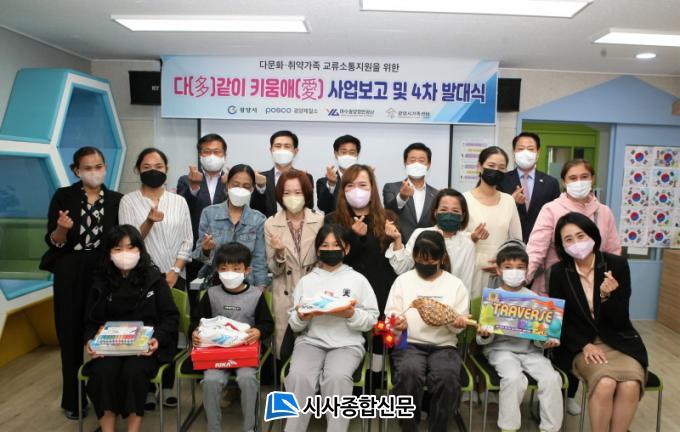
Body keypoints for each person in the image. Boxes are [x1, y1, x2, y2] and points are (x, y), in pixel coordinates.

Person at [42, 146, 123, 419]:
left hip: (105, 271)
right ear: (76, 170)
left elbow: (122, 238)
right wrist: (62, 229)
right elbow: (54, 241)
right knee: (70, 334)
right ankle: (73, 399)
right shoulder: (63, 196)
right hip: (70, 271)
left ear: (105, 167)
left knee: (107, 333)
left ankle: (110, 398)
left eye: (98, 166)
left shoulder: (116, 200)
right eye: (87, 168)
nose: (94, 172)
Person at [549, 212, 648, 432]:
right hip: (581, 344)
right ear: (562, 246)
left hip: (619, 341)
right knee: (605, 383)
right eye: (568, 239)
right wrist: (584, 344)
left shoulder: (617, 265)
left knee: (630, 385)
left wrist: (606, 297)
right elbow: (560, 320)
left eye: (580, 236)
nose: (576, 243)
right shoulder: (558, 272)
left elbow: (620, 318)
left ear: (592, 235)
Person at [284, 224, 379, 432]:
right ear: (317, 250)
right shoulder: (306, 281)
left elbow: (372, 318)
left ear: (347, 249)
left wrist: (351, 314)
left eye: (336, 245)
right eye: (324, 245)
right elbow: (294, 322)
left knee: (337, 378)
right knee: (298, 377)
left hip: (347, 343)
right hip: (310, 342)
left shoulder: (358, 280)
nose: (330, 249)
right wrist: (302, 316)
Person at [83, 225, 179, 432]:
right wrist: (90, 339)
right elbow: (90, 320)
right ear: (109, 253)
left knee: (133, 373)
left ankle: (132, 430)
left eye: (130, 247)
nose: (124, 253)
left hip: (145, 347)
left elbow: (171, 317)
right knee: (102, 373)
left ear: (140, 250)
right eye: (118, 249)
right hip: (110, 347)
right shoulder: (101, 281)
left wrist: (157, 338)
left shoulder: (154, 279)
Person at [384, 230, 470, 432]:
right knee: (409, 373)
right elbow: (390, 316)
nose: (425, 264)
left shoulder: (455, 285)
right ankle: (408, 427)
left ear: (442, 257)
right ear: (414, 257)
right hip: (409, 344)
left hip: (444, 345)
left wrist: (456, 324)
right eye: (420, 259)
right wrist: (397, 324)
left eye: (431, 260)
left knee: (447, 377)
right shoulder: (403, 281)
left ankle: (438, 427)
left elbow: (459, 324)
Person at [476, 241, 563, 432]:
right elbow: (481, 339)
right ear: (498, 270)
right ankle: (508, 427)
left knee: (552, 379)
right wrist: (485, 335)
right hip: (500, 351)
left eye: (520, 267)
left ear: (526, 270)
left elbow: (540, 337)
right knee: (513, 378)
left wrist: (546, 340)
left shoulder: (536, 299)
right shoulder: (493, 298)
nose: (514, 272)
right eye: (508, 267)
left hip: (531, 352)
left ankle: (551, 428)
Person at [189, 242, 274, 432]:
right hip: (216, 353)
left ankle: (250, 427)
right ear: (217, 270)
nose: (230, 273)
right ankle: (213, 428)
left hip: (245, 352)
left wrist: (259, 331)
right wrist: (194, 333)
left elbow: (267, 323)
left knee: (247, 379)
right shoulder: (211, 294)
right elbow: (196, 321)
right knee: (211, 381)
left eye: (236, 269)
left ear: (247, 270)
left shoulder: (255, 295)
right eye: (224, 268)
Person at [527, 158, 621, 297]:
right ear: (563, 182)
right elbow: (536, 250)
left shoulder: (604, 212)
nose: (579, 182)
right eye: (573, 178)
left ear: (592, 179)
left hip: (593, 288)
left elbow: (613, 251)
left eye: (584, 177)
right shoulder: (551, 209)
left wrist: (610, 281)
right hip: (553, 287)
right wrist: (520, 280)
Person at [265, 169, 324, 357]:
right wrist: (279, 253)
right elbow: (274, 269)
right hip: (285, 292)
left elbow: (325, 261)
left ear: (306, 193)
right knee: (286, 351)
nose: (293, 197)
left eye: (298, 192)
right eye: (287, 192)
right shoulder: (271, 223)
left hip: (314, 291)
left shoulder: (319, 220)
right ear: (279, 195)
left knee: (316, 348)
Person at [119, 147, 193, 290]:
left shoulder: (179, 201)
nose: (153, 171)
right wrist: (148, 222)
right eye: (147, 167)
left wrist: (175, 271)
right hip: (142, 276)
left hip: (176, 276)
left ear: (166, 169)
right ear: (138, 170)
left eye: (159, 166)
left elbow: (188, 240)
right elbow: (128, 242)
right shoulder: (128, 201)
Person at [325, 164, 396, 313]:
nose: (356, 190)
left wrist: (397, 240)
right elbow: (331, 260)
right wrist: (353, 236)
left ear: (372, 188)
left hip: (383, 295)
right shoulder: (332, 220)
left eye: (362, 185)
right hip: (345, 297)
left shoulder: (388, 218)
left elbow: (398, 263)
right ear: (343, 190)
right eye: (350, 185)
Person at [463, 146, 522, 314]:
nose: (496, 170)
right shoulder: (464, 199)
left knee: (499, 320)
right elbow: (455, 239)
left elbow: (517, 241)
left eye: (501, 167)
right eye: (491, 165)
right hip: (471, 270)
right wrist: (472, 236)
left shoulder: (508, 201)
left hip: (501, 272)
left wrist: (504, 263)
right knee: (472, 317)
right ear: (479, 166)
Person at [193, 164, 269, 289]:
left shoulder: (258, 219)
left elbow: (259, 259)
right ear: (228, 185)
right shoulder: (209, 213)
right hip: (216, 282)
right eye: (236, 185)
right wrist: (206, 250)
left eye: (246, 186)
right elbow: (199, 256)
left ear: (252, 189)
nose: (240, 189)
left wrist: (261, 288)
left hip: (247, 284)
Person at [385, 188, 475, 292]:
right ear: (435, 212)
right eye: (444, 210)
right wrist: (397, 239)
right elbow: (401, 269)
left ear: (462, 216)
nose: (449, 214)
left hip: (451, 297)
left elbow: (466, 284)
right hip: (418, 295)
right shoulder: (420, 234)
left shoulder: (467, 245)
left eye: (455, 211)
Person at [176, 133, 229, 284]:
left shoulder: (231, 180)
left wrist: (229, 188)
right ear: (200, 155)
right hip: (196, 249)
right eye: (207, 151)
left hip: (226, 251)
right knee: (195, 293)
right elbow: (182, 211)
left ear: (225, 155)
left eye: (217, 151)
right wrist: (194, 187)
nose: (212, 156)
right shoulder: (186, 180)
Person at [499, 132, 561, 243]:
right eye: (520, 149)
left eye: (530, 149)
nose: (525, 153)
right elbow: (495, 214)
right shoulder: (502, 180)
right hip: (509, 242)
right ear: (514, 153)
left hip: (542, 242)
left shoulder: (551, 182)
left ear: (538, 153)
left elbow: (557, 216)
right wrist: (511, 202)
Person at [251, 130, 314, 217]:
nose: (282, 150)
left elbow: (309, 208)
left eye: (287, 146)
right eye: (278, 146)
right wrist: (260, 187)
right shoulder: (260, 178)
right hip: (268, 224)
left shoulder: (305, 177)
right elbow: (255, 210)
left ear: (295, 151)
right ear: (271, 150)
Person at [383, 143, 438, 243]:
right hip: (398, 245)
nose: (416, 164)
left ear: (429, 165)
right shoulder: (391, 188)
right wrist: (402, 197)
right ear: (405, 163)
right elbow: (388, 213)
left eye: (421, 161)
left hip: (426, 248)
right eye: (412, 160)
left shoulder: (436, 194)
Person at [316, 134, 361, 213]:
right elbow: (323, 206)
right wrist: (331, 185)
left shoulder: (364, 181)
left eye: (352, 152)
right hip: (334, 221)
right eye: (343, 152)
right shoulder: (323, 182)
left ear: (357, 155)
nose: (347, 156)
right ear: (336, 154)